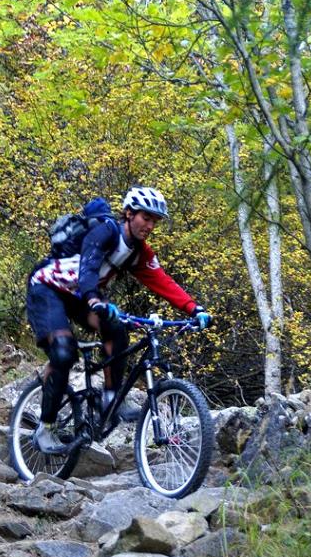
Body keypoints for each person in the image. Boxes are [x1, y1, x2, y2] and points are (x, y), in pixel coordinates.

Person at [25, 186, 212, 454]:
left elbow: (163, 282)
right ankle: (46, 427)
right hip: (48, 288)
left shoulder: (138, 252)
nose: (150, 225)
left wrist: (194, 309)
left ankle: (111, 400)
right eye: (145, 218)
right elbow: (88, 266)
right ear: (128, 213)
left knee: (118, 330)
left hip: (80, 295)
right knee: (64, 351)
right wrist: (93, 299)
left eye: (154, 221)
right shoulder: (106, 231)